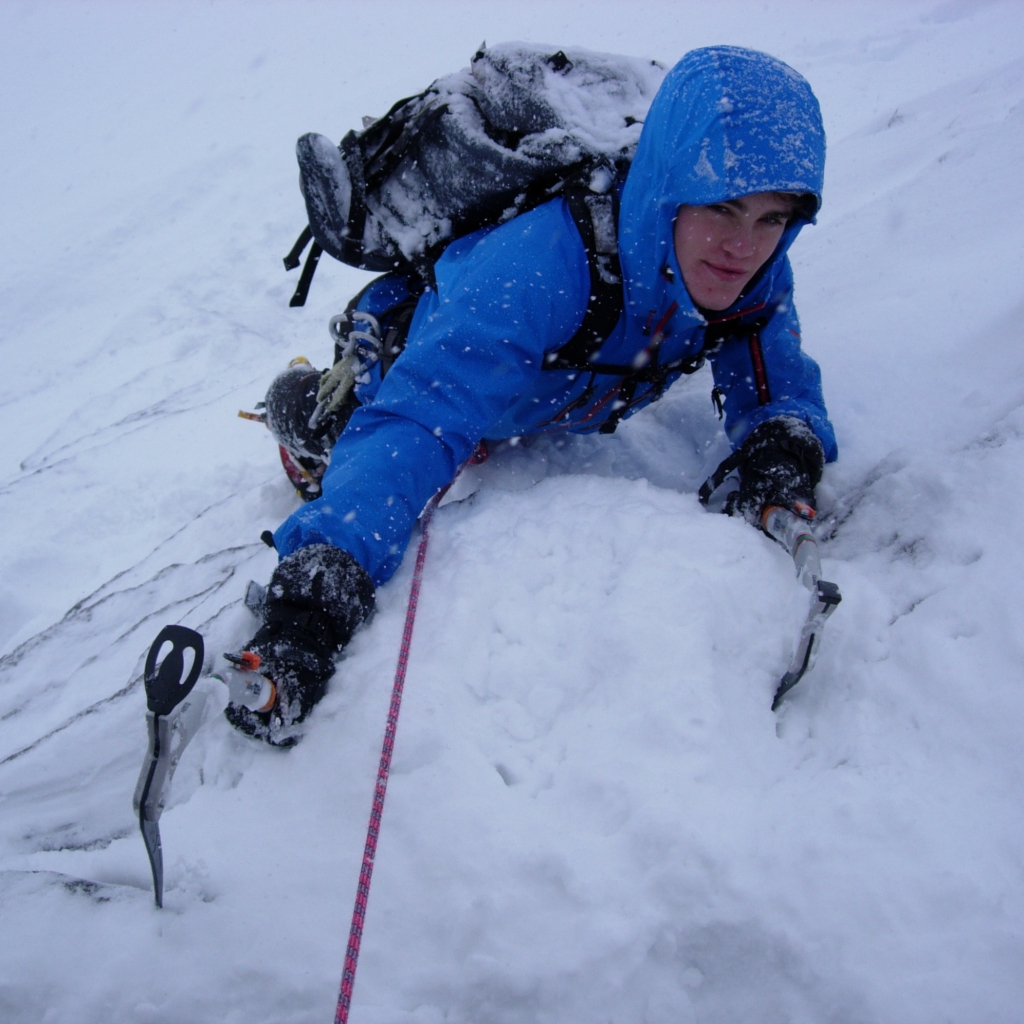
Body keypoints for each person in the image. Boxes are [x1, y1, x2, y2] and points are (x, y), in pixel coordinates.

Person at [227, 46, 837, 745]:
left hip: (546, 397)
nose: (744, 246)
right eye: (723, 208)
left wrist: (781, 441)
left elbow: (772, 372)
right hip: (411, 353)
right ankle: (302, 403)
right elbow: (421, 418)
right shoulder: (545, 261)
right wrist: (317, 596)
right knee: (355, 432)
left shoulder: (755, 273)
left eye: (773, 218)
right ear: (669, 185)